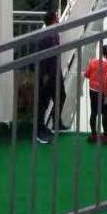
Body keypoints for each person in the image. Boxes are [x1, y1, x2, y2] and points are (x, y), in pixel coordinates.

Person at [35, 10, 69, 144]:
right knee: (43, 102)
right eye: (57, 16)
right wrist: (44, 75)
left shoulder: (54, 33)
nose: (59, 17)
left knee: (61, 96)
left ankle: (56, 122)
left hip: (55, 72)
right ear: (54, 19)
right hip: (47, 74)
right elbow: (42, 57)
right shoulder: (46, 36)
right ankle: (39, 130)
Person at [83, 45, 107, 143]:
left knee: (93, 112)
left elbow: (87, 74)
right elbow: (105, 82)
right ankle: (106, 134)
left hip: (92, 90)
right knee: (105, 113)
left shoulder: (92, 61)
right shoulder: (106, 65)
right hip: (101, 92)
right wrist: (106, 96)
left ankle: (93, 134)